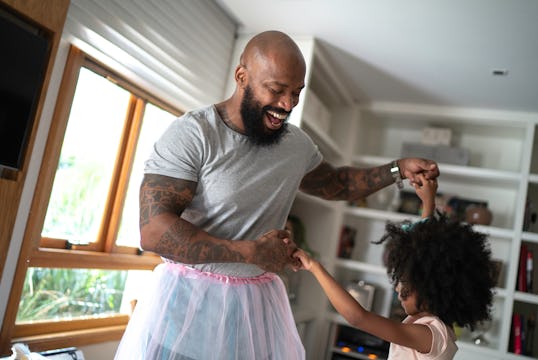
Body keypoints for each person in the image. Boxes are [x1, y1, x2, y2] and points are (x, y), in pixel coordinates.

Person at [114, 30, 440, 360]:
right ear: (242, 76)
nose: (288, 105)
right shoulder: (193, 134)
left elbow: (336, 184)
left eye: (296, 93)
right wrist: (249, 252)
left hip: (252, 307)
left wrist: (398, 168)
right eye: (277, 90)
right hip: (187, 306)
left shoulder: (295, 145)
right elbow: (154, 231)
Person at [293, 174, 495, 359]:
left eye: (405, 283)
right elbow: (426, 249)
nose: (398, 289)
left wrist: (314, 267)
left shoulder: (431, 335)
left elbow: (357, 317)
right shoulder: (436, 325)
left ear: (430, 289)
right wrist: (428, 201)